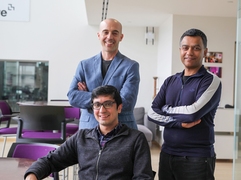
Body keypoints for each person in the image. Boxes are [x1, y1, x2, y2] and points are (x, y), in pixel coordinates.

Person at [24, 85, 154, 180]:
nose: (102, 110)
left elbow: (143, 177)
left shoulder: (136, 139)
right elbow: (51, 160)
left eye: (108, 104)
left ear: (119, 108)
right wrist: (32, 175)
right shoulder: (82, 137)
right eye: (97, 105)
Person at [148, 28, 222, 180]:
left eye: (196, 48)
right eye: (185, 47)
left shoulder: (211, 81)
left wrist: (166, 109)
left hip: (197, 158)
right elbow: (152, 113)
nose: (190, 52)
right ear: (180, 50)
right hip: (167, 154)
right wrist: (178, 124)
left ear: (205, 51)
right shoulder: (170, 81)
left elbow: (192, 113)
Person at [67, 18, 139, 130]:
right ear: (99, 35)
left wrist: (90, 97)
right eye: (105, 32)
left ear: (121, 37)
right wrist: (111, 100)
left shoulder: (131, 66)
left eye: (115, 33)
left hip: (121, 129)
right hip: (89, 128)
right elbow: (73, 96)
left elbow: (126, 102)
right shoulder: (84, 65)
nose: (109, 37)